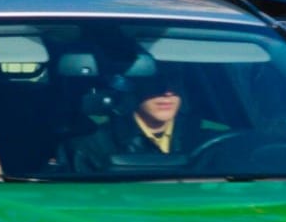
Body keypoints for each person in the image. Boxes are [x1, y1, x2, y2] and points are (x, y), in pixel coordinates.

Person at [58, 73, 197, 173]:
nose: (168, 91)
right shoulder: (90, 147)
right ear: (132, 86)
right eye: (156, 81)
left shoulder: (209, 140)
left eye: (174, 80)